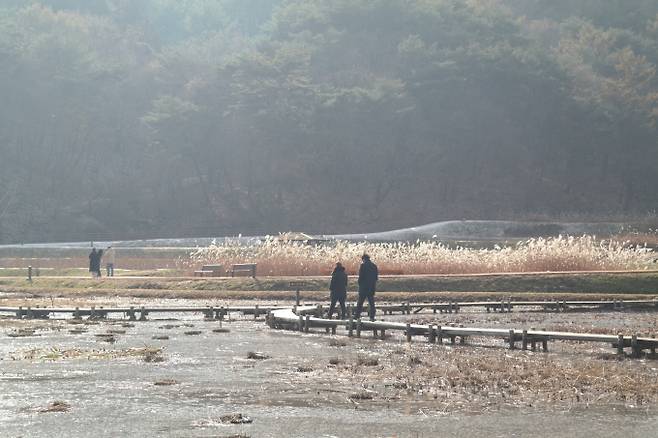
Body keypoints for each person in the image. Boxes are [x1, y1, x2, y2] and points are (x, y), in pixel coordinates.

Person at [355, 254, 378, 321]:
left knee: (360, 302)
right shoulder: (374, 266)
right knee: (371, 302)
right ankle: (372, 316)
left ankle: (357, 315)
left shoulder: (363, 265)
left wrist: (359, 284)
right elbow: (376, 278)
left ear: (364, 259)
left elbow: (361, 276)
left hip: (364, 287)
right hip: (371, 287)